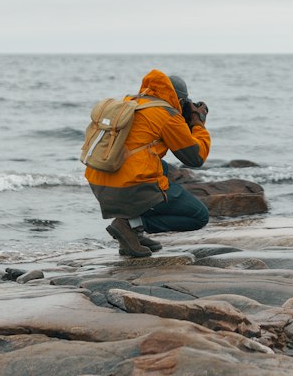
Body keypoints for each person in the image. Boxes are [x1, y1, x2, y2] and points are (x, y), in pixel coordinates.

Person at [85, 68, 212, 257]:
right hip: (126, 187)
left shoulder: (133, 102)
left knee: (165, 168)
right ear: (180, 100)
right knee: (199, 216)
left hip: (99, 181)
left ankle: (132, 235)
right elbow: (195, 158)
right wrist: (198, 123)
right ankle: (131, 225)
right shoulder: (167, 115)